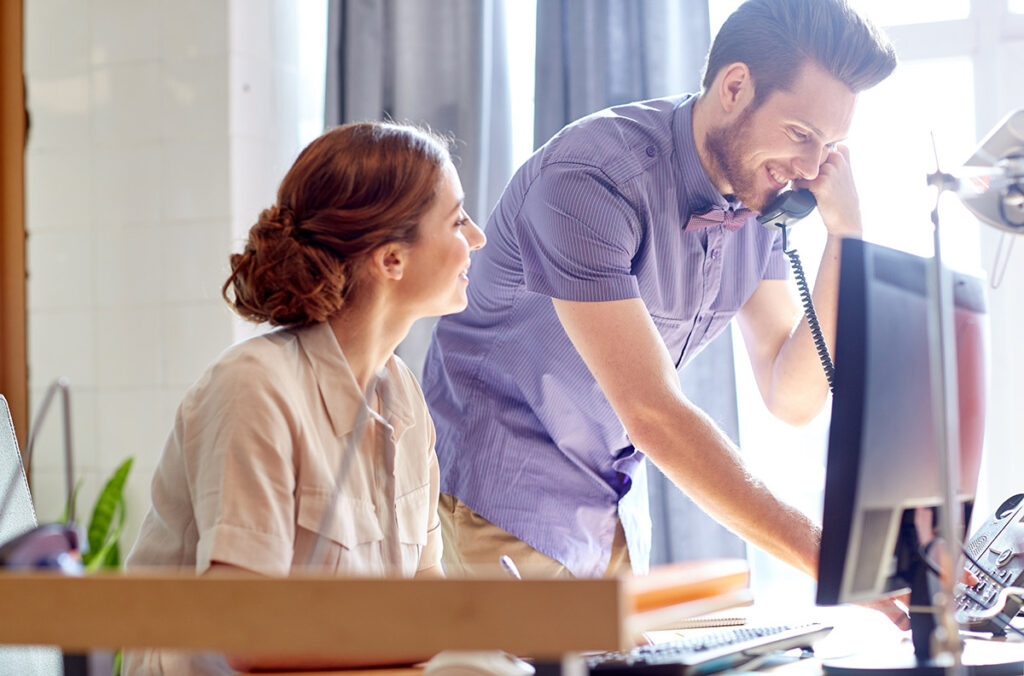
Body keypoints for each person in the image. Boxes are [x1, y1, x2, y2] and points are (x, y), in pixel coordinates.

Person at [422, 0, 897, 582]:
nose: (810, 166)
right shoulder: (593, 176)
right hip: (500, 496)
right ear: (735, 85)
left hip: (609, 508)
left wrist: (846, 237)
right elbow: (652, 412)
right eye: (801, 133)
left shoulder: (759, 199)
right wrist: (826, 557)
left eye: (828, 146)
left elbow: (790, 396)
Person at [122, 122, 486, 674]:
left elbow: (423, 592)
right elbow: (249, 642)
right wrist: (454, 639)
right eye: (457, 220)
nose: (477, 238)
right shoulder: (253, 388)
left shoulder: (404, 396)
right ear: (391, 260)